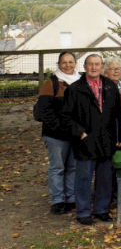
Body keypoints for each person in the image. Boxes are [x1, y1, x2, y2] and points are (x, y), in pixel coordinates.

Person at [62, 54, 121, 225]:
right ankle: (83, 212)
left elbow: (118, 114)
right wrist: (80, 133)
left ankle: (101, 209)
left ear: (102, 66)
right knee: (83, 178)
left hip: (106, 139)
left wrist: (119, 136)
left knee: (104, 177)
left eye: (97, 64)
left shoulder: (110, 86)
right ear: (84, 67)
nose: (94, 67)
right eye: (90, 64)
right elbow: (66, 117)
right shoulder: (75, 89)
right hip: (85, 141)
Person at [37, 51, 79, 215]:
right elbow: (44, 111)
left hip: (75, 135)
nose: (68, 65)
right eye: (64, 62)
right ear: (59, 64)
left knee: (73, 167)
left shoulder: (81, 82)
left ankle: (71, 198)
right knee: (57, 168)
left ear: (75, 63)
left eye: (70, 62)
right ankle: (57, 200)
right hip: (56, 135)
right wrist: (60, 128)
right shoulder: (51, 83)